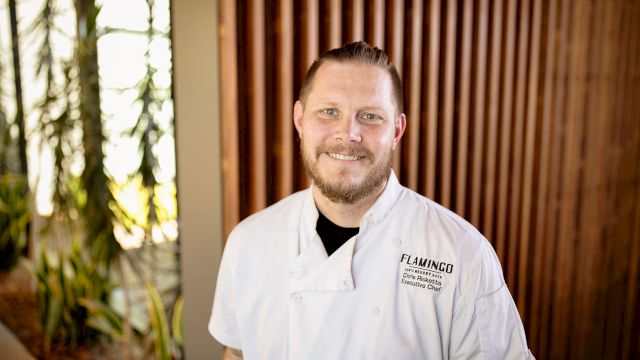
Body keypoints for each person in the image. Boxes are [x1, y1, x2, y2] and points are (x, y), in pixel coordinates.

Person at [209, 41, 534, 359]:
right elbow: (236, 352)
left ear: (396, 130)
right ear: (299, 120)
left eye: (370, 117)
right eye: (329, 111)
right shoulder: (247, 242)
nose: (347, 134)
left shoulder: (462, 255)